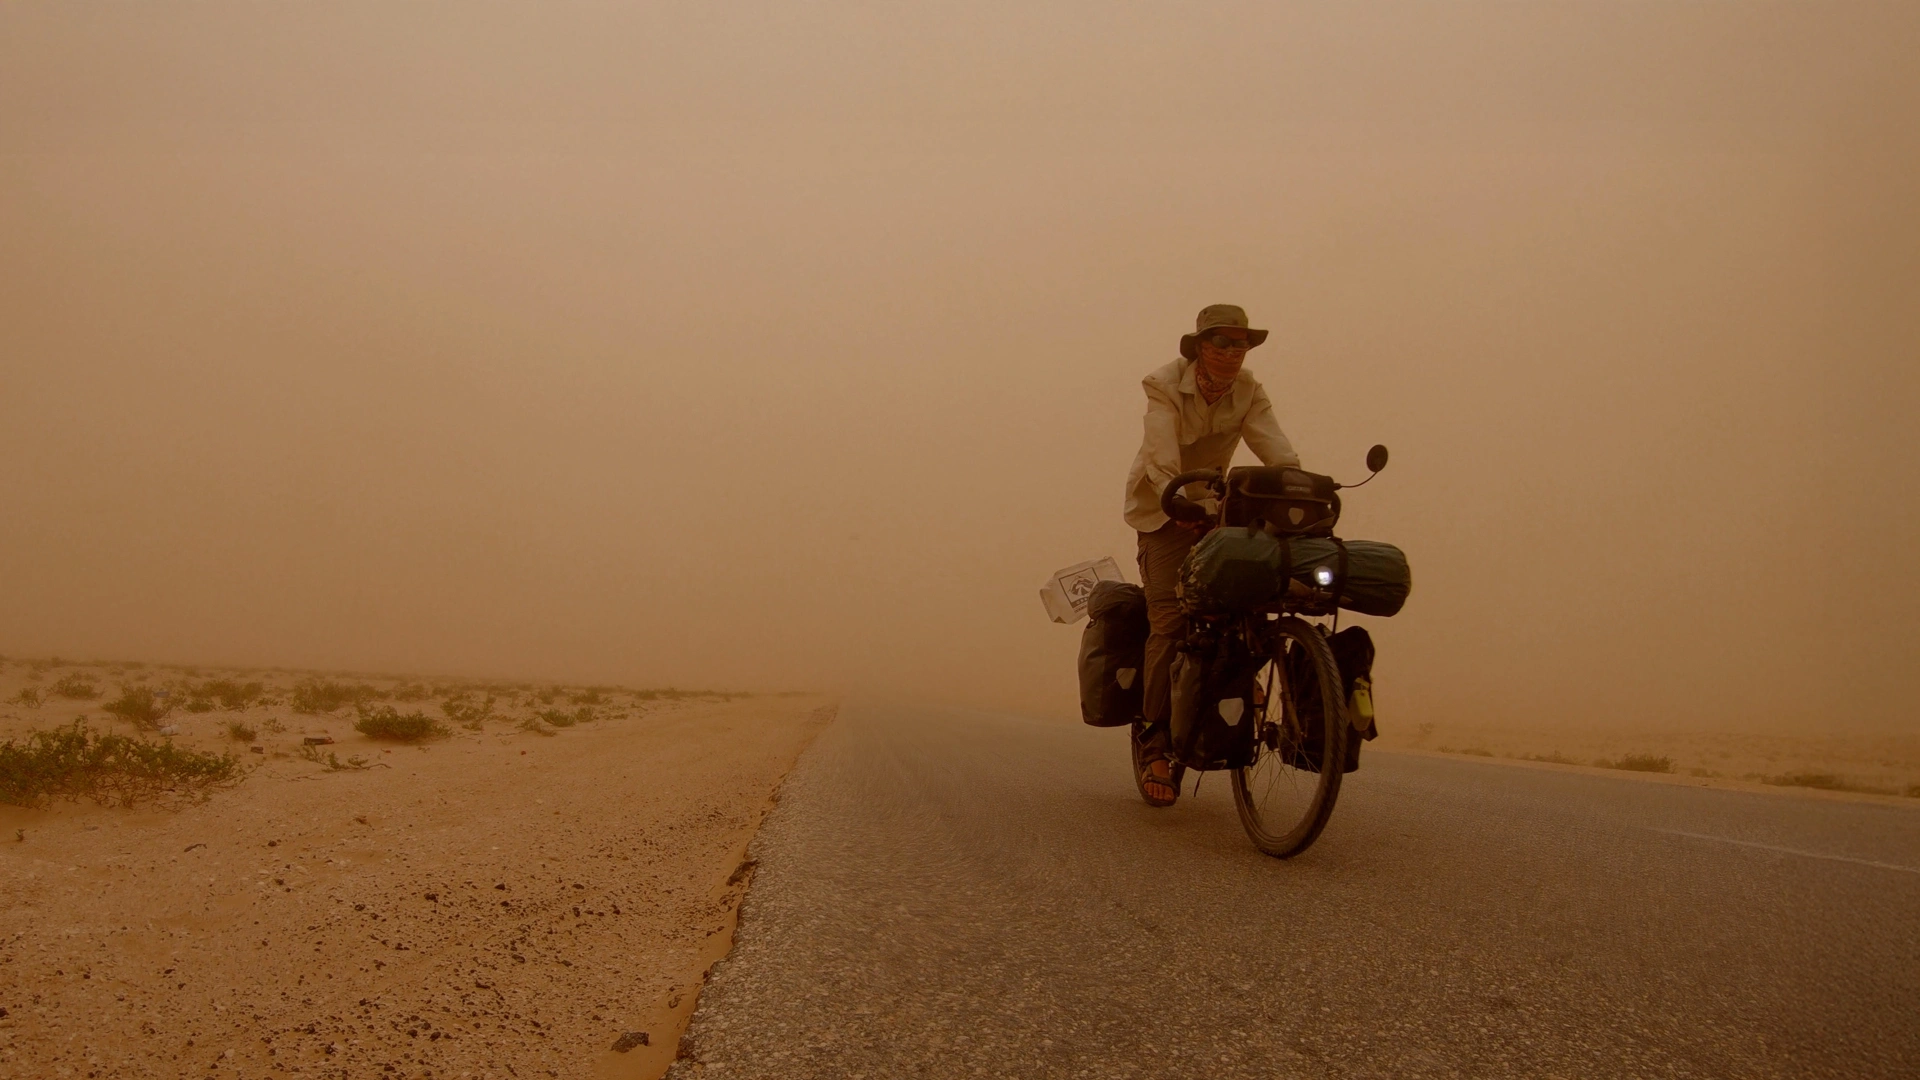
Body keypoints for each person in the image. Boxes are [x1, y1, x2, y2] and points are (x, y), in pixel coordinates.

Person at [1123, 304, 1301, 806]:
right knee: (1169, 621)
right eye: (1220, 342)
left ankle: (1247, 680)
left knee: (1249, 593)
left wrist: (1293, 481)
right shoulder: (1163, 384)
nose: (1231, 352)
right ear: (1200, 347)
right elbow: (1161, 452)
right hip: (1163, 505)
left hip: (1216, 504)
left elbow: (1274, 445)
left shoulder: (1249, 390)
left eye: (1240, 343)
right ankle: (1152, 737)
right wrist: (1175, 497)